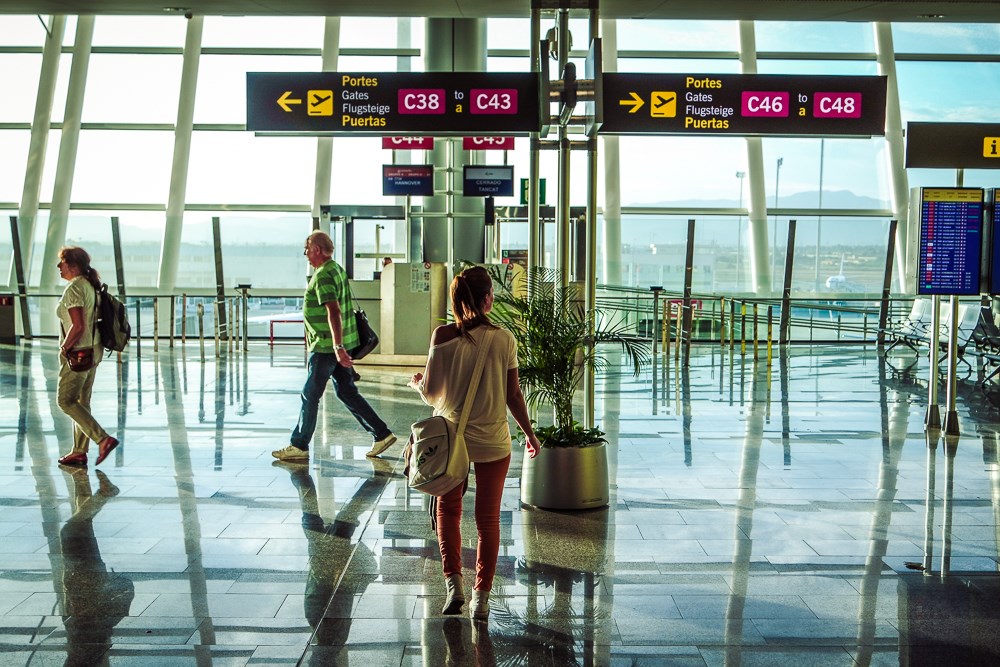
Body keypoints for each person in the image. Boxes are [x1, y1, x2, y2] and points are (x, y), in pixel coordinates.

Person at [409, 265, 541, 620]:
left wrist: (419, 383)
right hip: (494, 442)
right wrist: (529, 433)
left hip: (452, 442)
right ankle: (482, 598)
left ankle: (454, 587)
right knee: (488, 520)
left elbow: (433, 393)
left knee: (448, 511)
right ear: (487, 299)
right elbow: (513, 395)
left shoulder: (442, 336)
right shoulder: (504, 339)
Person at [273, 231, 396, 462]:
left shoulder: (323, 276)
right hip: (337, 346)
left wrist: (338, 346)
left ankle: (298, 445)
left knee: (310, 394)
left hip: (326, 347)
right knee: (347, 391)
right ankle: (382, 434)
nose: (306, 255)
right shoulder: (337, 269)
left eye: (307, 250)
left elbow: (334, 311)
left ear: (317, 249)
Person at [55, 246, 120, 467]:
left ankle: (102, 439)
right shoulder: (91, 286)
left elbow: (78, 326)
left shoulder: (74, 288)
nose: (58, 267)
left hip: (78, 354)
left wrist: (64, 348)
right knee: (82, 401)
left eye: (61, 263)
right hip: (93, 351)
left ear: (73, 265)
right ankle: (79, 451)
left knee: (65, 400)